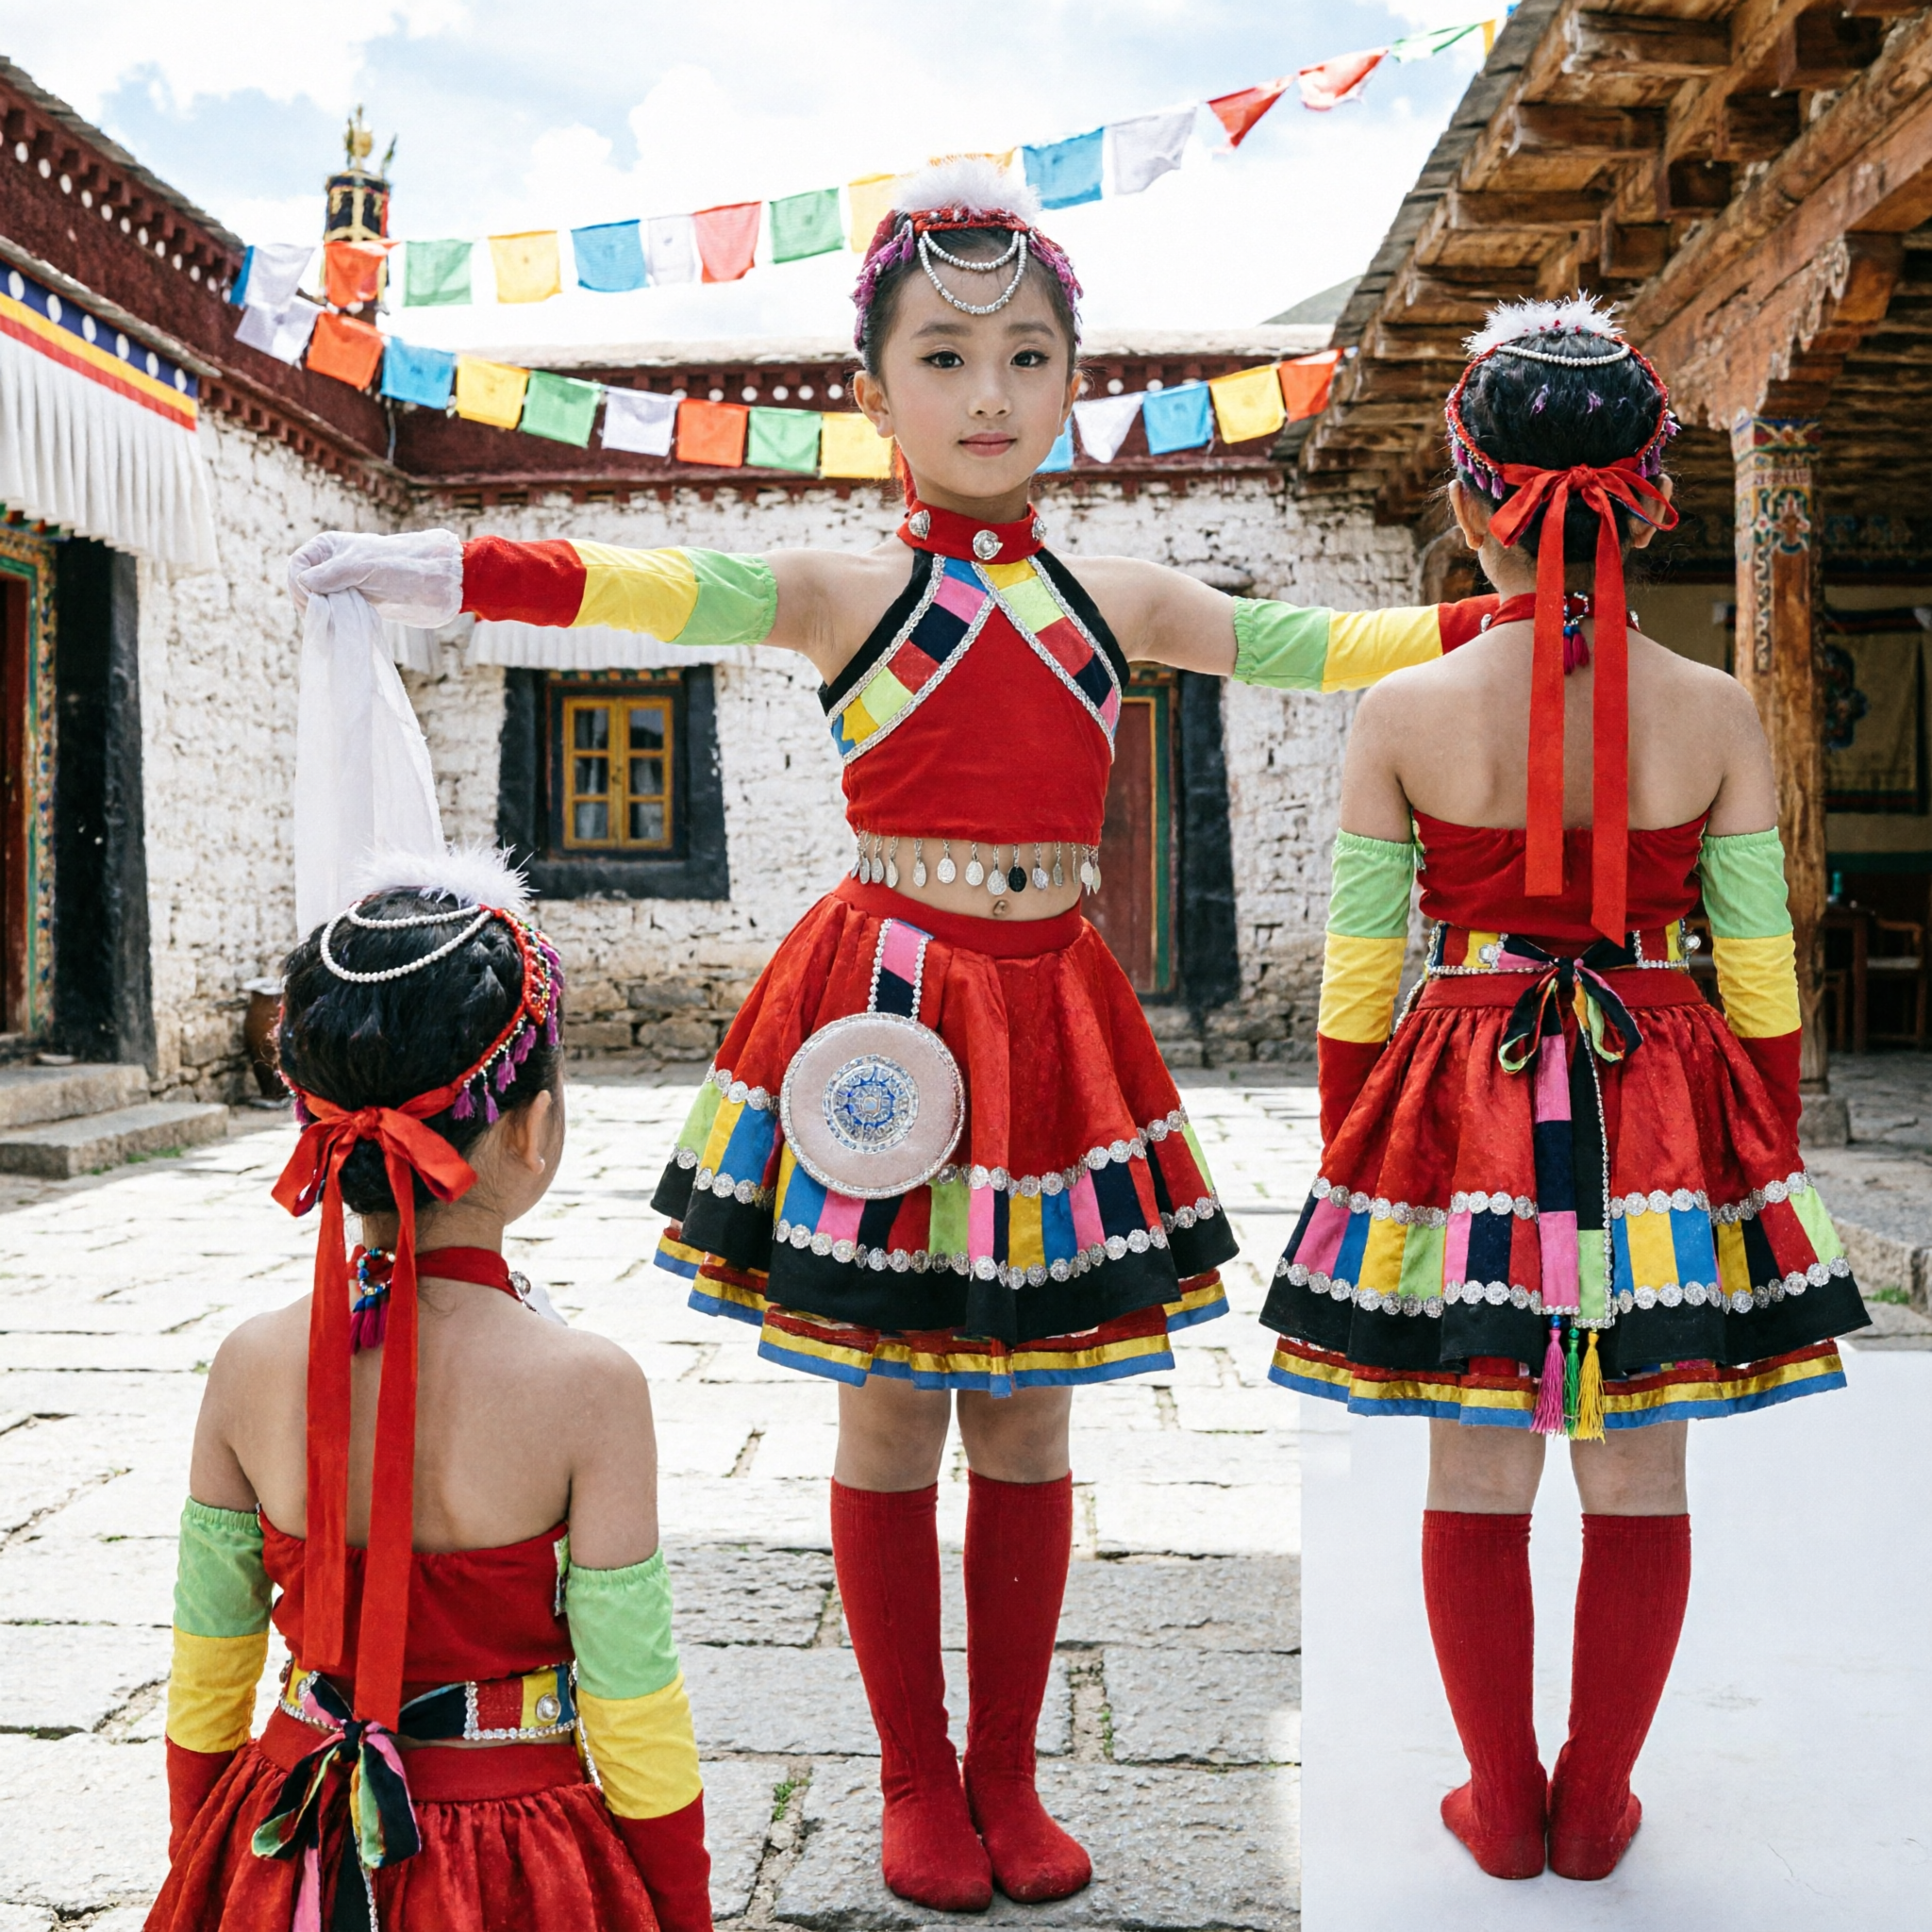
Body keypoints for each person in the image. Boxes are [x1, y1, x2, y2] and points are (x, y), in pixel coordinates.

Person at [283, 157, 1495, 1912]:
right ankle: (915, 1783)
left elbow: (1322, 642)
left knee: (1026, 1421)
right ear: (873, 396)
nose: (986, 392)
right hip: (883, 1021)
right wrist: (437, 565)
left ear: (1078, 386)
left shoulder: (1123, 602)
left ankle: (1010, 1776)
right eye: (941, 356)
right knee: (888, 1413)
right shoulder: (843, 592)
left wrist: (1528, 599)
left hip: (1051, 1019)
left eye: (1025, 356)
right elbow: (640, 590)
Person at [1263, 296, 1870, 1883]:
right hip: (1660, 1089)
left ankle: (1497, 1792)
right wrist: (1758, 1151)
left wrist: (1351, 1149)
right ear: (1651, 496)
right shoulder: (1720, 710)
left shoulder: (1396, 713)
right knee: (1640, 1461)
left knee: (1469, 1455)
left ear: (1472, 502)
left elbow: (1352, 975)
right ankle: (1596, 1798)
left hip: (1461, 1085)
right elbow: (1759, 974)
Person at [149, 851, 713, 1932]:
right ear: (535, 1129)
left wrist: (209, 1865)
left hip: (293, 1839)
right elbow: (634, 1705)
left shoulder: (244, 1364)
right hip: (515, 1853)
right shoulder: (590, 1388)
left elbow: (208, 1677)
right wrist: (677, 1910)